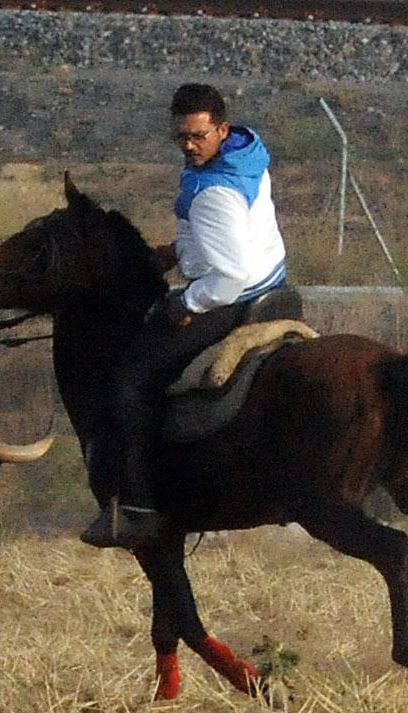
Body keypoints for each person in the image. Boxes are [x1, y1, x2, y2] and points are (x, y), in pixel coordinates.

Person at [81, 82, 294, 549]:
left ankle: (136, 508)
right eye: (182, 136)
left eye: (198, 136)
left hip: (231, 298)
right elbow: (231, 236)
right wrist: (179, 252)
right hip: (273, 281)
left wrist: (186, 303)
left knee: (130, 382)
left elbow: (230, 276)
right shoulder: (244, 152)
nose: (189, 145)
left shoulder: (214, 193)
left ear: (220, 128)